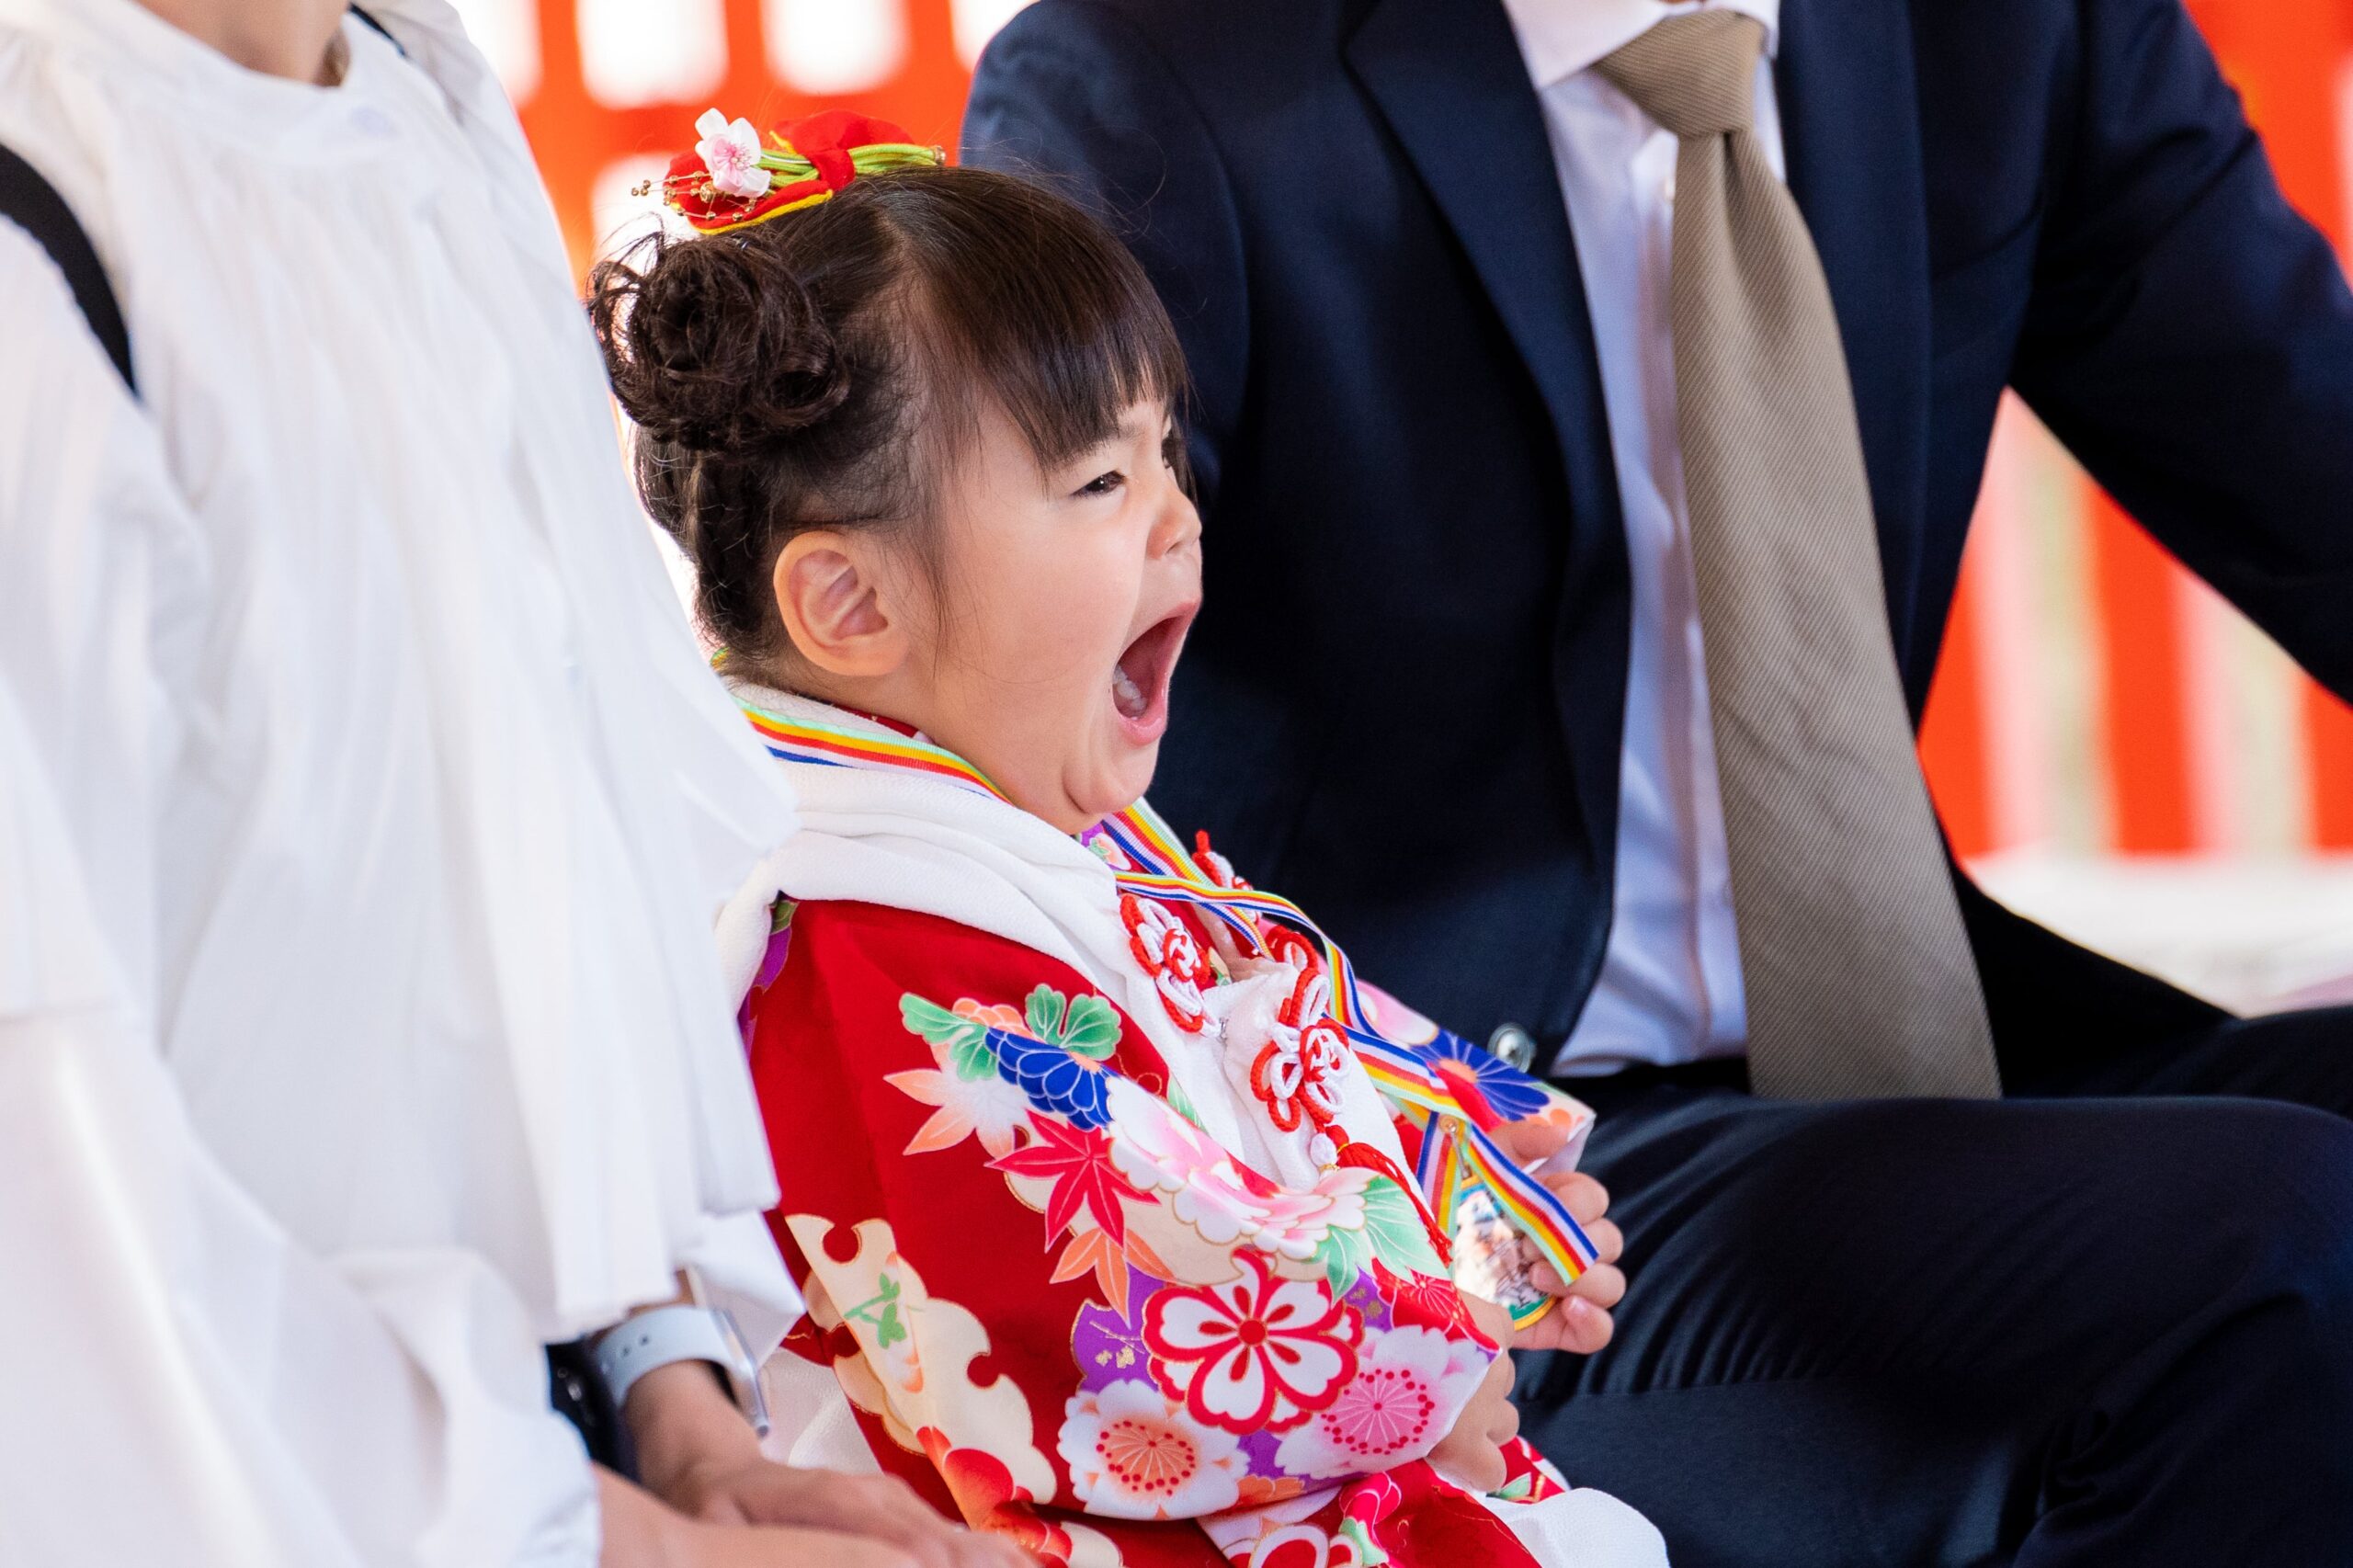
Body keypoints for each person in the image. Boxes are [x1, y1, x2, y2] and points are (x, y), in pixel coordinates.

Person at [960, 0, 2353, 1562]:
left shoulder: (2005, 27)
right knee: (2283, 1236)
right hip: (1465, 1156)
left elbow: (2309, 439)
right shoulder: (1159, 76)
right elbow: (1000, 713)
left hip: (1918, 1051)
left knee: (2298, 1208)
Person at [0, 3, 1017, 1564]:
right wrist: (625, 1537)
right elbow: (58, 1206)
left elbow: (560, 822)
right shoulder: (41, 237)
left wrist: (672, 1400)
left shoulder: (421, 89)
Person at [588, 113, 1663, 1568]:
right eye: (1099, 482)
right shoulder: (844, 931)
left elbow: (1287, 1025)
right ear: (850, 607)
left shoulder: (1004, 810)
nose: (1177, 518)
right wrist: (1453, 1319)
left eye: (1166, 453)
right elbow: (1145, 1323)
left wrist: (1485, 1189)